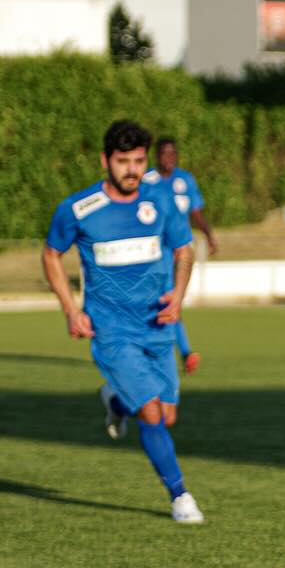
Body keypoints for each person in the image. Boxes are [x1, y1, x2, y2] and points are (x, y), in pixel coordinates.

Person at [41, 120, 203, 523]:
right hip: (111, 329)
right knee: (150, 413)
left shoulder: (160, 200)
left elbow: (184, 248)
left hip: (157, 323)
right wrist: (70, 309)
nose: (131, 169)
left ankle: (114, 400)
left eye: (137, 161)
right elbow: (50, 255)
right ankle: (180, 496)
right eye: (122, 161)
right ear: (105, 161)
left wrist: (179, 295)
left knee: (167, 417)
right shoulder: (79, 209)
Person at [144, 138, 215, 372]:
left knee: (171, 299)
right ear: (156, 156)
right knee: (163, 300)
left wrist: (209, 234)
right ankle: (178, 351)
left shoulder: (185, 179)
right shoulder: (147, 181)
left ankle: (182, 352)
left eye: (173, 154)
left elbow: (195, 211)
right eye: (164, 154)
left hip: (179, 248)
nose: (169, 158)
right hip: (155, 250)